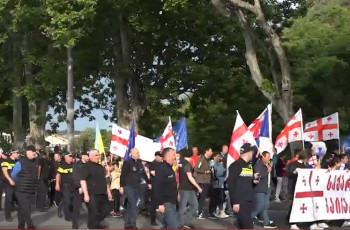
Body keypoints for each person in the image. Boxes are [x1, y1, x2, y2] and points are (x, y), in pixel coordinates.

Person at [227, 143, 259, 229]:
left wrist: (253, 181)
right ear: (249, 153)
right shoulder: (235, 166)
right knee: (248, 226)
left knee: (243, 225)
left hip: (249, 200)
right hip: (240, 201)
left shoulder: (249, 166)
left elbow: (247, 181)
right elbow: (231, 184)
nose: (252, 154)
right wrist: (235, 202)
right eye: (251, 152)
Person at [81, 149, 112, 229]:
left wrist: (108, 192)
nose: (98, 157)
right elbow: (83, 180)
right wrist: (86, 194)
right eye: (96, 155)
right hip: (92, 194)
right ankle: (93, 225)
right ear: (90, 156)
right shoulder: (86, 167)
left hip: (102, 192)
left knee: (107, 210)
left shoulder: (101, 167)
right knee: (93, 212)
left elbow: (105, 180)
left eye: (98, 155)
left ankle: (94, 223)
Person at [120, 148, 150, 229]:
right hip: (128, 186)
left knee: (131, 205)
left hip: (137, 186)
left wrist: (148, 182)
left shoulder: (139, 163)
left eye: (138, 152)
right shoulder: (127, 163)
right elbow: (123, 175)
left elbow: (143, 173)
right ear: (132, 153)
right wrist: (121, 186)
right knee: (133, 204)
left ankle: (128, 223)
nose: (138, 154)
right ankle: (133, 224)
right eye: (137, 152)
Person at [11, 145, 39, 229]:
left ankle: (21, 225)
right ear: (27, 152)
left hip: (31, 189)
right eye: (32, 151)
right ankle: (30, 225)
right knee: (26, 209)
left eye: (34, 152)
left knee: (22, 208)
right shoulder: (20, 162)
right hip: (21, 190)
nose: (34, 153)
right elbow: (13, 175)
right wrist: (19, 182)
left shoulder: (36, 162)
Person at [251, 151, 277, 228]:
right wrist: (267, 171)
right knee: (261, 206)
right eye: (268, 157)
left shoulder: (267, 165)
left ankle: (267, 222)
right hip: (260, 188)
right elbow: (258, 176)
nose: (269, 158)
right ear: (263, 157)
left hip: (267, 188)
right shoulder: (258, 165)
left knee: (265, 206)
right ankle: (249, 217)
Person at [154, 147, 178, 229]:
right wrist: (160, 204)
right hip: (166, 203)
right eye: (173, 155)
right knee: (173, 225)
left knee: (165, 225)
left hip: (172, 201)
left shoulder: (169, 168)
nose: (175, 157)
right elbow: (157, 186)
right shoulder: (161, 168)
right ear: (167, 156)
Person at [178, 149, 203, 228]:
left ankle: (185, 221)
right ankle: (181, 223)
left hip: (185, 187)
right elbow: (190, 177)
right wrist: (198, 187)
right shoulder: (187, 164)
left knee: (191, 205)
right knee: (189, 206)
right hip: (187, 188)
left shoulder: (181, 162)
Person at [71, 151, 90, 229]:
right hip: (79, 189)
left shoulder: (90, 165)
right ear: (83, 156)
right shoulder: (77, 165)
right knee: (76, 207)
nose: (88, 157)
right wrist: (79, 186)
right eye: (87, 156)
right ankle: (74, 224)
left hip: (89, 189)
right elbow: (75, 176)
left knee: (91, 207)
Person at [194, 147, 213, 219]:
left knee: (203, 197)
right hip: (202, 181)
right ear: (206, 151)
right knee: (202, 197)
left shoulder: (208, 160)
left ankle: (199, 210)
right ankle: (199, 212)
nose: (211, 153)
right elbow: (196, 168)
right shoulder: (202, 159)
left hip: (207, 181)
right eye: (210, 151)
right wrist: (205, 171)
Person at [56, 151, 74, 221]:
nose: (71, 158)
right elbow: (58, 175)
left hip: (73, 185)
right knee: (68, 201)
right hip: (65, 185)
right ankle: (68, 216)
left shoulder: (73, 165)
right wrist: (57, 184)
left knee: (70, 200)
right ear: (66, 157)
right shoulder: (62, 165)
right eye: (70, 156)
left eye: (71, 156)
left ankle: (60, 208)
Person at [208, 152, 228, 219]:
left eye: (219, 156)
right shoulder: (213, 164)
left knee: (218, 198)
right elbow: (215, 173)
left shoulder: (220, 164)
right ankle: (211, 212)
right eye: (217, 156)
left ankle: (214, 211)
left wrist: (226, 170)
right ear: (214, 157)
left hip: (220, 183)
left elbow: (222, 171)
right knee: (214, 199)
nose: (218, 157)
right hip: (215, 183)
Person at [2, 150, 19, 222]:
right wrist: (10, 180)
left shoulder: (17, 161)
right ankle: (7, 216)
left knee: (19, 198)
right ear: (13, 153)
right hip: (8, 183)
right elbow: (5, 171)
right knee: (8, 200)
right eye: (17, 153)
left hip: (17, 183)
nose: (18, 154)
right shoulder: (6, 161)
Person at [149, 151, 163, 226]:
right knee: (154, 204)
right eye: (160, 156)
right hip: (155, 185)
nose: (161, 157)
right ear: (156, 156)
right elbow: (153, 173)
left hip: (162, 186)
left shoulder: (162, 164)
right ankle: (153, 220)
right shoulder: (152, 164)